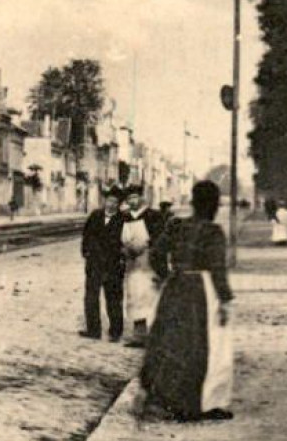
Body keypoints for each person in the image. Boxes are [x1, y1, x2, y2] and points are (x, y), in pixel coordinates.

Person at [141, 179, 236, 421]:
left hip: (175, 287)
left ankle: (165, 399)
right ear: (213, 205)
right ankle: (201, 403)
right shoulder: (213, 232)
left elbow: (155, 254)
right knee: (207, 345)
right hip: (202, 291)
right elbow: (217, 270)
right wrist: (225, 299)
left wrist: (166, 277)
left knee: (170, 342)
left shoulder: (176, 226)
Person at [79, 185, 127, 341]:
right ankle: (93, 330)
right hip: (94, 264)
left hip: (113, 265)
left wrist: (121, 258)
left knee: (113, 298)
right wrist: (86, 252)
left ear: (119, 204)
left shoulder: (123, 219)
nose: (111, 204)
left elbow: (126, 240)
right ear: (105, 201)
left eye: (115, 202)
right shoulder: (95, 215)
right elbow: (86, 235)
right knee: (91, 297)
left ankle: (115, 332)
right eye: (109, 200)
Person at [119, 187, 160, 347]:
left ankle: (155, 334)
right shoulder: (124, 217)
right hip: (132, 261)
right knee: (134, 295)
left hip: (149, 260)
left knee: (150, 295)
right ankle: (139, 334)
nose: (132, 201)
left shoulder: (154, 216)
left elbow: (160, 238)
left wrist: (148, 246)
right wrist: (124, 249)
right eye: (129, 199)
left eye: (135, 197)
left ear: (141, 198)